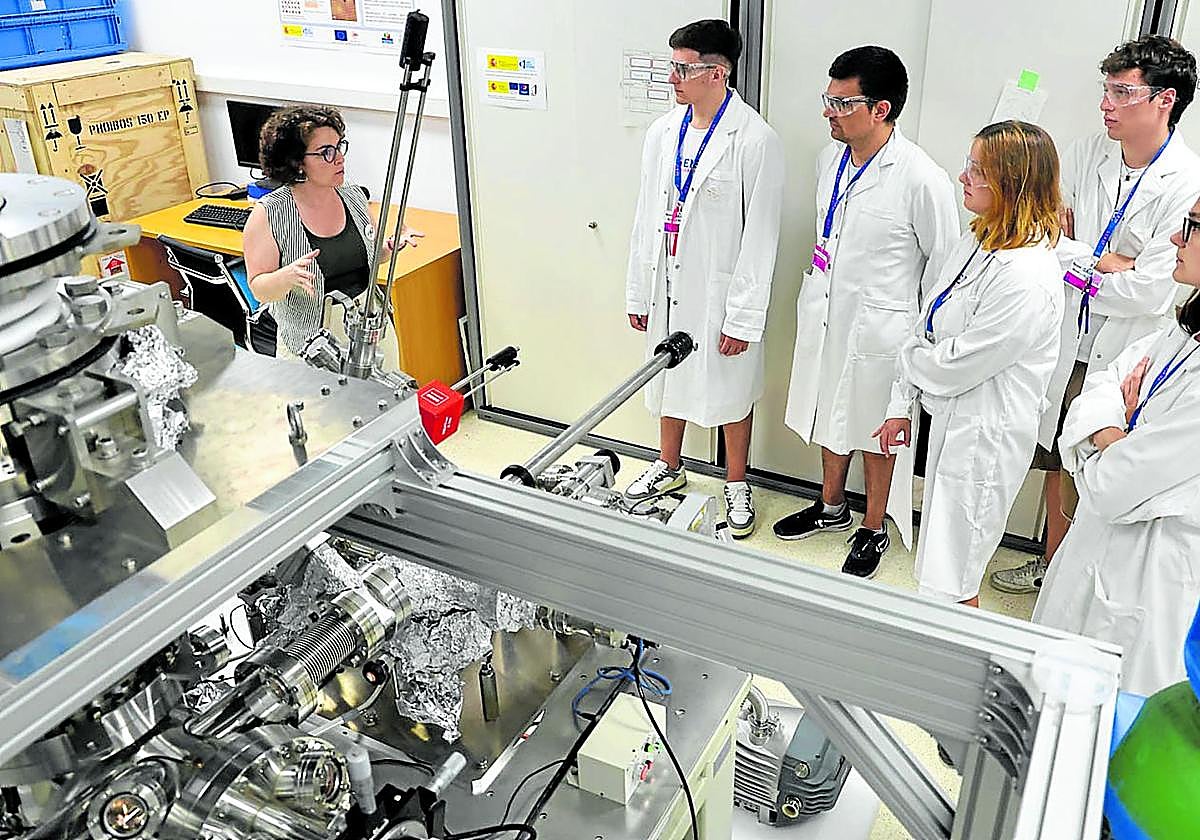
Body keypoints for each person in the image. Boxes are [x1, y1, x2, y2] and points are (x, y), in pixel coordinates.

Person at [991, 35, 1200, 595]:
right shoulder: (1087, 153)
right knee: (1062, 453)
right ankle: (1053, 567)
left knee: (1102, 461)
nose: (1105, 102)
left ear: (1164, 100)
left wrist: (1080, 255)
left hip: (1123, 347)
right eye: (1105, 89)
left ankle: (1077, 577)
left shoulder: (1187, 181)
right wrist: (1107, 261)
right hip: (1063, 335)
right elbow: (1048, 236)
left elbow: (1151, 291)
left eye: (1121, 91)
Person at [775, 46, 959, 577]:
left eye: (842, 103)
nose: (828, 112)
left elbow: (944, 268)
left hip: (886, 330)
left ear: (881, 109)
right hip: (830, 314)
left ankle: (873, 526)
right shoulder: (829, 160)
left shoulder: (923, 178)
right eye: (827, 100)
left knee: (877, 430)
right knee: (829, 413)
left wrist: (924, 338)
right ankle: (830, 506)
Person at [876, 121, 1063, 607]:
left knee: (955, 573)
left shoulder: (1026, 277)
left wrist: (914, 362)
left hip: (985, 437)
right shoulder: (980, 240)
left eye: (976, 170)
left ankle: (958, 671)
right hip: (953, 421)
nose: (963, 177)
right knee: (940, 565)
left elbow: (956, 363)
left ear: (1012, 184)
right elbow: (928, 320)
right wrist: (903, 398)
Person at [623, 19, 784, 538]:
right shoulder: (663, 131)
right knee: (666, 375)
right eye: (673, 65)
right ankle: (669, 467)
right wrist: (638, 288)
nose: (673, 77)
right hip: (667, 281)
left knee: (732, 388)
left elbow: (761, 238)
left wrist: (742, 317)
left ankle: (737, 481)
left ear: (718, 72)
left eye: (683, 68)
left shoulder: (755, 139)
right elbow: (645, 214)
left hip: (720, 292)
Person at [1035, 199, 1200, 695]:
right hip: (1096, 549)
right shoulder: (1185, 326)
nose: (1176, 237)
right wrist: (1115, 431)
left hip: (1149, 578)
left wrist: (1108, 433)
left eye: (1191, 226)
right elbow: (1102, 383)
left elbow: (1112, 486)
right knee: (1047, 708)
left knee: (1107, 736)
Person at [242, 105, 418, 361]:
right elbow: (259, 289)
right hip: (310, 341)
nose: (339, 158)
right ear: (296, 161)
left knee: (391, 398)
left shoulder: (354, 196)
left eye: (339, 147)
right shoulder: (269, 214)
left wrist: (389, 247)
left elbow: (369, 256)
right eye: (326, 152)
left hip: (368, 325)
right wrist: (286, 277)